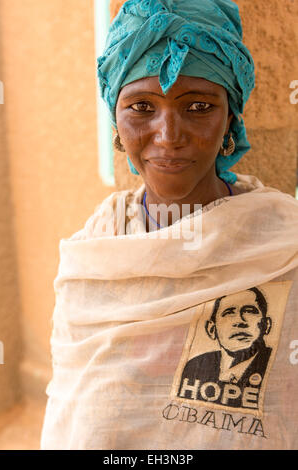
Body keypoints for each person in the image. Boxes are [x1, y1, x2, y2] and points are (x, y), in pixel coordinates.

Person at [41, 0, 298, 450]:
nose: (168, 134)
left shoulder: (283, 245)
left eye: (198, 106)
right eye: (141, 106)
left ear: (231, 119)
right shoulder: (94, 256)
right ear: (116, 123)